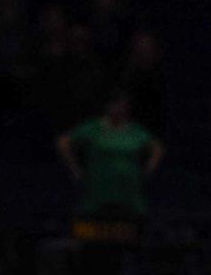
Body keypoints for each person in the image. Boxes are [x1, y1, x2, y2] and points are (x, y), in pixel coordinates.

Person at [55, 90, 162, 225]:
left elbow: (156, 147)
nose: (119, 108)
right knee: (93, 225)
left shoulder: (134, 130)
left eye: (122, 105)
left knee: (133, 226)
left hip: (129, 191)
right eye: (115, 104)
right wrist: (74, 169)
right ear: (107, 106)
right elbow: (63, 142)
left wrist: (149, 169)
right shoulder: (93, 128)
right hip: (98, 189)